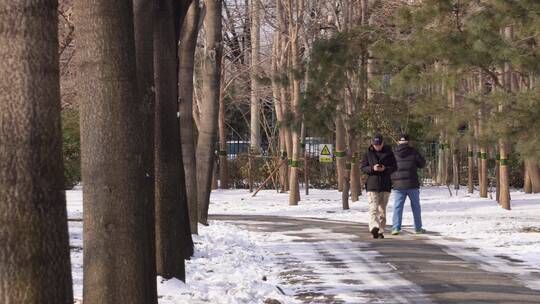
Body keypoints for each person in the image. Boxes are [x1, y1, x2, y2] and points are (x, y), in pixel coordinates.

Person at [361, 134, 397, 239]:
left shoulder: (389, 154)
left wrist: (385, 169)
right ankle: (374, 228)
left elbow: (394, 167)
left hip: (385, 186)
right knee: (373, 208)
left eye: (379, 144)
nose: (377, 146)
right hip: (372, 185)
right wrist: (372, 168)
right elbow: (363, 167)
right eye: (375, 144)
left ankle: (381, 230)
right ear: (373, 144)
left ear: (382, 143)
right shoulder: (368, 154)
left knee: (382, 210)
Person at [391, 134, 426, 235]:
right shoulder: (413, 151)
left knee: (398, 207)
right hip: (412, 184)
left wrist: (393, 177)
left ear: (398, 142)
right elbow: (422, 164)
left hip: (398, 184)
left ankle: (396, 228)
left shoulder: (393, 153)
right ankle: (418, 228)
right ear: (408, 141)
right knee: (416, 207)